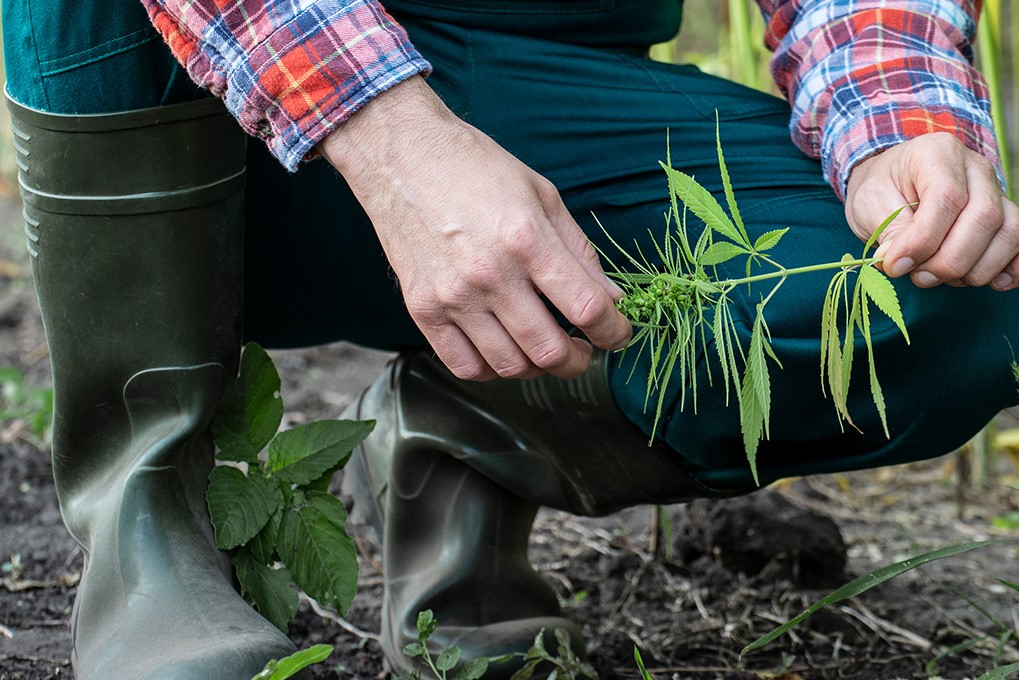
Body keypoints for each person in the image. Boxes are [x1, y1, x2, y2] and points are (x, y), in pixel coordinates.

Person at [3, 0, 1019, 677]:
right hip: (198, 95)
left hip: (550, 95)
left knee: (956, 299)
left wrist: (898, 121)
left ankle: (473, 420)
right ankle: (146, 517)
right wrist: (391, 136)